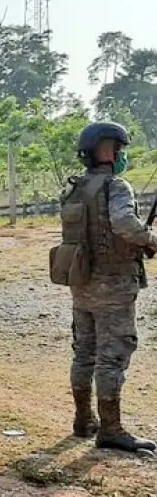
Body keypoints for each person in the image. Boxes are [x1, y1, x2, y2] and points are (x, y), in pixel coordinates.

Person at [55, 121, 157, 455]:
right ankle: (110, 430)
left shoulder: (73, 188)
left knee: (84, 352)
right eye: (119, 149)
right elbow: (124, 223)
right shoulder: (116, 186)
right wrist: (149, 240)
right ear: (106, 150)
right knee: (111, 357)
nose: (121, 155)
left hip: (81, 284)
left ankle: (84, 420)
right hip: (113, 287)